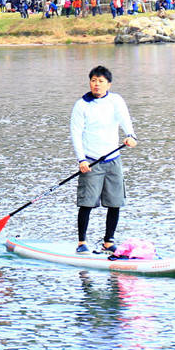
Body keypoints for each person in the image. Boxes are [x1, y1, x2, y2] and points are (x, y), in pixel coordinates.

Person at [70, 65, 137, 254]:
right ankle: (82, 242)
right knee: (87, 203)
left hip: (113, 159)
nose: (96, 85)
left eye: (100, 81)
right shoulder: (81, 105)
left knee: (115, 202)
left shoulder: (116, 101)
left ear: (109, 84)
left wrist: (131, 135)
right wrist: (81, 160)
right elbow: (75, 134)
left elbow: (125, 120)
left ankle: (108, 241)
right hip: (90, 161)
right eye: (93, 81)